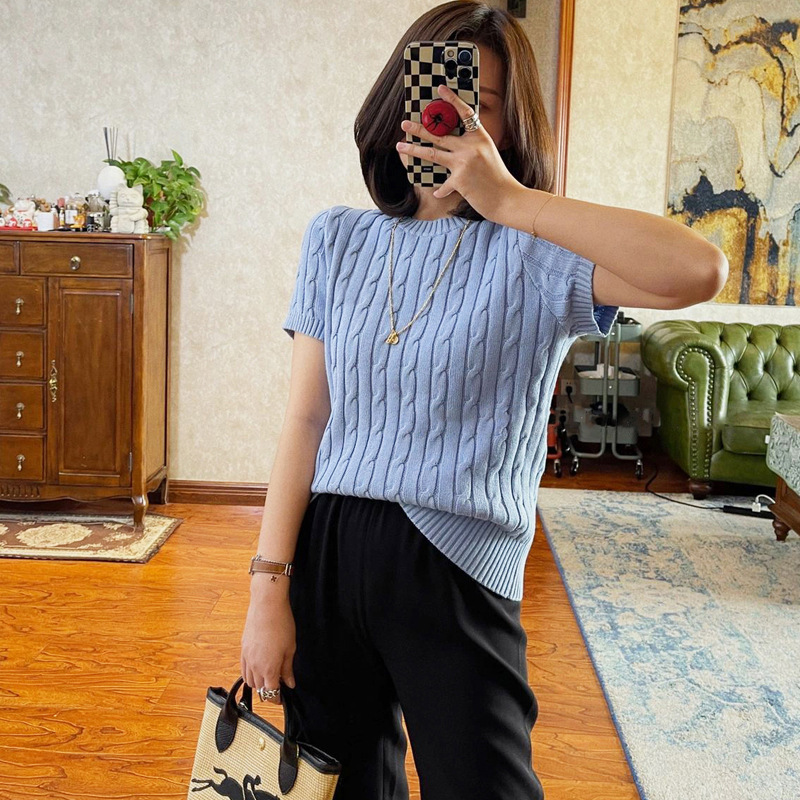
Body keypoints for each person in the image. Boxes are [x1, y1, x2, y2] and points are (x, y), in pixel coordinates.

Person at [240, 2, 728, 798]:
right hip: (327, 556)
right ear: (395, 101)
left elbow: (698, 270)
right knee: (336, 786)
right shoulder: (336, 238)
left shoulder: (534, 251)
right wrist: (268, 588)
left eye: (478, 103)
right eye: (426, 92)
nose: (444, 117)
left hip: (458, 569)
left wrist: (510, 202)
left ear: (505, 126)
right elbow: (306, 419)